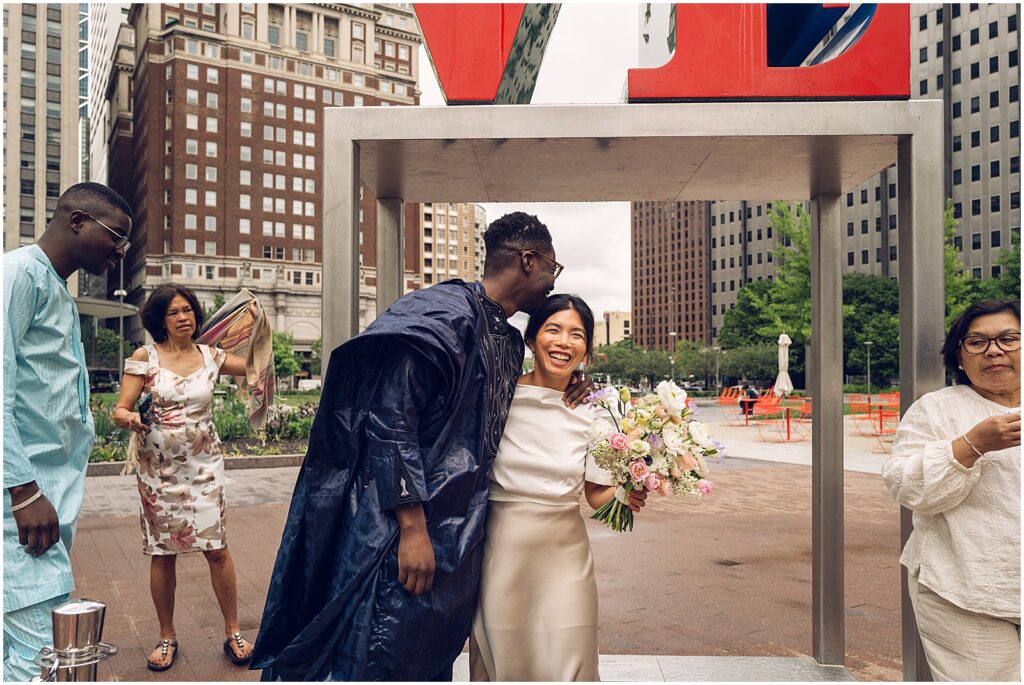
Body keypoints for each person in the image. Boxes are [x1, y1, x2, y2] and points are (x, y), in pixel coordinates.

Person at [251, 212, 593, 681]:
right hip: (400, 530)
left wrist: (576, 383)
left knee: (424, 657)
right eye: (553, 267)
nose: (553, 280)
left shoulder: (509, 339)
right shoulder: (440, 315)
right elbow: (391, 423)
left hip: (459, 534)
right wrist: (412, 529)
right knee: (380, 650)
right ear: (529, 261)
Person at [469, 294, 646, 681]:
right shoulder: (498, 397)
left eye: (576, 334)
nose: (564, 342)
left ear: (587, 350)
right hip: (503, 548)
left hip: (566, 551)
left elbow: (595, 494)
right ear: (532, 340)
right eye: (553, 330)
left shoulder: (597, 409)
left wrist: (624, 495)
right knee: (511, 662)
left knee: (573, 658)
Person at [3, 182, 133, 681]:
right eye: (115, 237)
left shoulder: (53, 286)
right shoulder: (18, 275)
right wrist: (22, 490)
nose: (120, 253)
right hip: (21, 506)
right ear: (76, 220)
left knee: (25, 653)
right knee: (43, 660)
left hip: (43, 503)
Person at [113, 285, 259, 671]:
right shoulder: (145, 358)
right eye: (174, 312)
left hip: (205, 467)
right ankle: (167, 636)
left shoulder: (212, 356)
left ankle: (233, 631)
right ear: (160, 319)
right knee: (163, 553)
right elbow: (120, 409)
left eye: (188, 310)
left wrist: (257, 326)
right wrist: (129, 417)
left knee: (217, 548)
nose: (184, 317)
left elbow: (257, 366)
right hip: (158, 469)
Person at [882, 299, 1020, 682]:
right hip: (961, 586)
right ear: (959, 357)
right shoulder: (936, 409)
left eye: (1009, 339)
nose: (994, 350)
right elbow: (905, 485)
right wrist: (972, 444)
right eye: (976, 342)